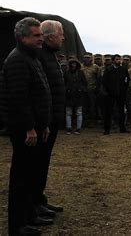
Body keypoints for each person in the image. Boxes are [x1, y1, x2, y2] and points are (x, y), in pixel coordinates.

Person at [3, 17, 52, 235]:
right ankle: (17, 226)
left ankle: (30, 215)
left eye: (41, 35)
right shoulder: (17, 60)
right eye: (36, 35)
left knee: (30, 175)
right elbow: (19, 99)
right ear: (22, 37)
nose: (41, 39)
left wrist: (43, 125)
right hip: (24, 131)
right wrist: (30, 128)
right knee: (21, 179)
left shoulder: (31, 57)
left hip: (36, 128)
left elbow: (38, 94)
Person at [35, 20, 66, 219]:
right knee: (37, 163)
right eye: (61, 34)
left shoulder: (49, 55)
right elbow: (38, 93)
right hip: (42, 122)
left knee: (42, 162)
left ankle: (39, 200)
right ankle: (34, 204)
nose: (63, 37)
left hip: (51, 119)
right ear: (51, 36)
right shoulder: (40, 56)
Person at [102, 54, 129, 134]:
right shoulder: (108, 70)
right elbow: (104, 81)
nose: (119, 61)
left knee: (121, 112)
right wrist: (109, 90)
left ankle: (122, 128)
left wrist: (124, 89)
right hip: (110, 94)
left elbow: (127, 80)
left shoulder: (123, 69)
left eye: (119, 59)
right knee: (108, 112)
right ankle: (107, 129)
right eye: (117, 59)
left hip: (121, 94)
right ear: (113, 60)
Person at [64, 59, 87, 135]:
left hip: (78, 95)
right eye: (72, 63)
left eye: (75, 63)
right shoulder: (66, 73)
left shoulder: (80, 73)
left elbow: (85, 83)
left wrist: (81, 89)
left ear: (77, 65)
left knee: (79, 112)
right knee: (68, 113)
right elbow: (64, 83)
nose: (73, 65)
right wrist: (66, 90)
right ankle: (69, 128)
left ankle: (78, 128)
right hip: (69, 95)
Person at [81, 52, 100, 127]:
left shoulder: (96, 67)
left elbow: (99, 79)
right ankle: (85, 121)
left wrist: (97, 88)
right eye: (85, 58)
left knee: (93, 106)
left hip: (92, 90)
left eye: (88, 58)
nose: (87, 59)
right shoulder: (81, 66)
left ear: (91, 58)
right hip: (83, 90)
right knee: (84, 106)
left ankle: (92, 121)